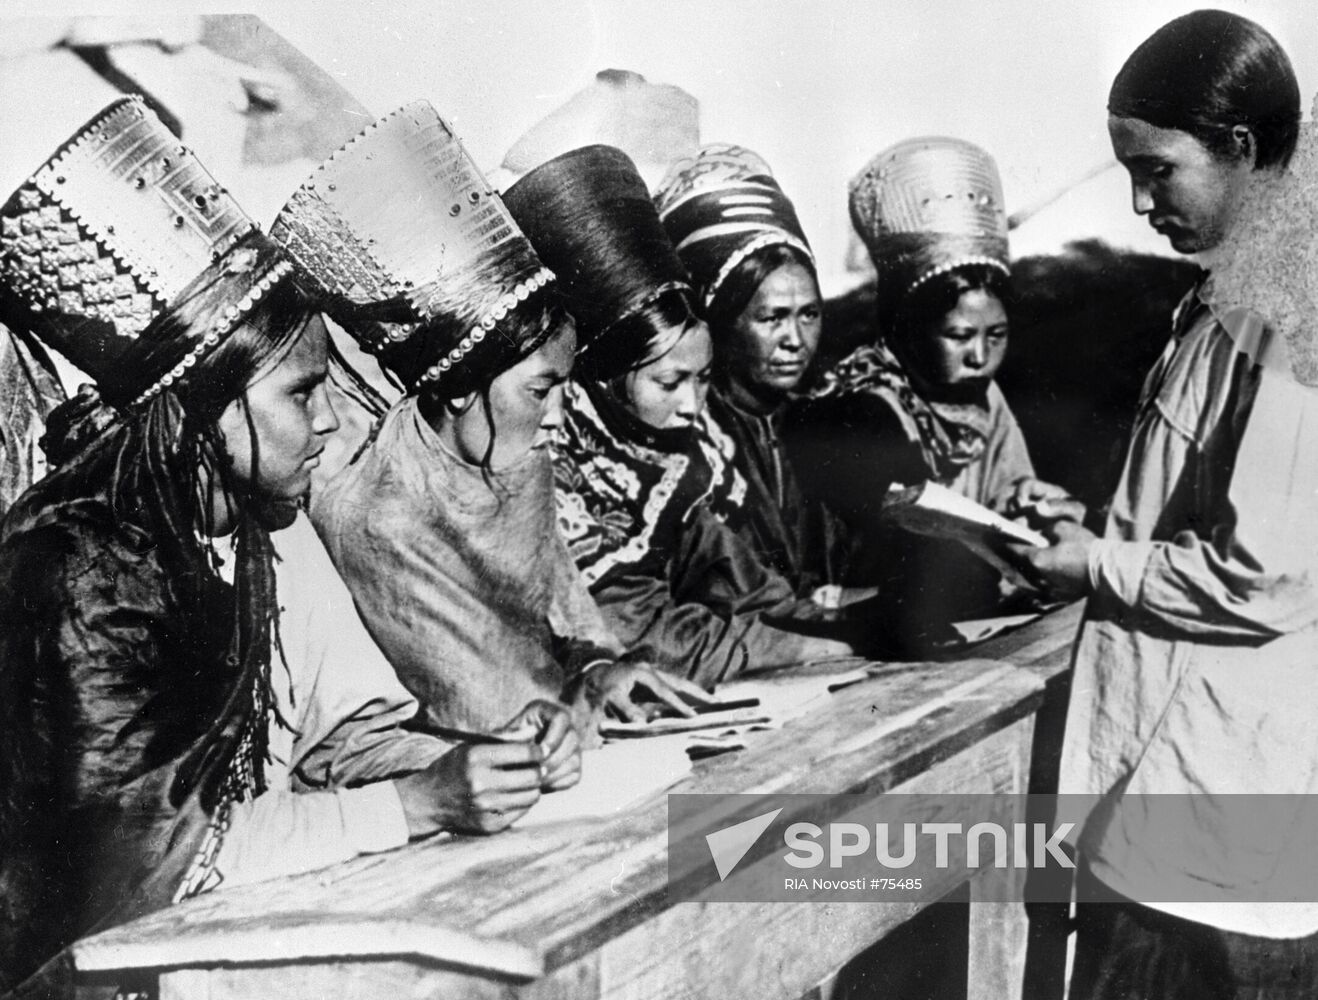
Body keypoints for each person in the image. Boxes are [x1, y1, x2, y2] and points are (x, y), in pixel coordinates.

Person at [0, 99, 574, 997]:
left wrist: (485, 762)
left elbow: (337, 745)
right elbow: (145, 863)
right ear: (209, 411)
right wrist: (416, 805)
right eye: (303, 394)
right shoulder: (72, 569)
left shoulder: (262, 531)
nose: (331, 421)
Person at [1005, 12, 1318, 999]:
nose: (1141, 203)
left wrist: (1095, 561)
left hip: (1217, 863)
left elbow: (1265, 573)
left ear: (1238, 147)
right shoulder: (1226, 299)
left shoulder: (1283, 306)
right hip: (1186, 828)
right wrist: (1090, 528)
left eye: (1156, 170)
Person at [277, 104, 700, 735]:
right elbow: (482, 711)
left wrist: (602, 670)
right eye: (540, 391)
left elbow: (573, 626)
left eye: (563, 388)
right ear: (459, 390)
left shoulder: (519, 463)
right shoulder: (380, 516)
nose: (558, 418)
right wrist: (578, 704)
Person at [502, 145, 854, 686]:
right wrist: (809, 646)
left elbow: (751, 590)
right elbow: (642, 631)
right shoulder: (557, 464)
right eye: (669, 383)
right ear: (605, 381)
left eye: (703, 379)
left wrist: (833, 624)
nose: (693, 407)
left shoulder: (669, 458)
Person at [787, 137, 1053, 651]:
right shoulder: (865, 404)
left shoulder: (984, 397)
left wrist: (1037, 510)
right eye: (959, 337)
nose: (979, 356)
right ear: (912, 330)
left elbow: (1010, 501)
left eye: (995, 335)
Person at [654, 144, 849, 600]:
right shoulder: (688, 439)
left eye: (809, 314)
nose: (795, 340)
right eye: (771, 318)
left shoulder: (825, 422)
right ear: (723, 318)